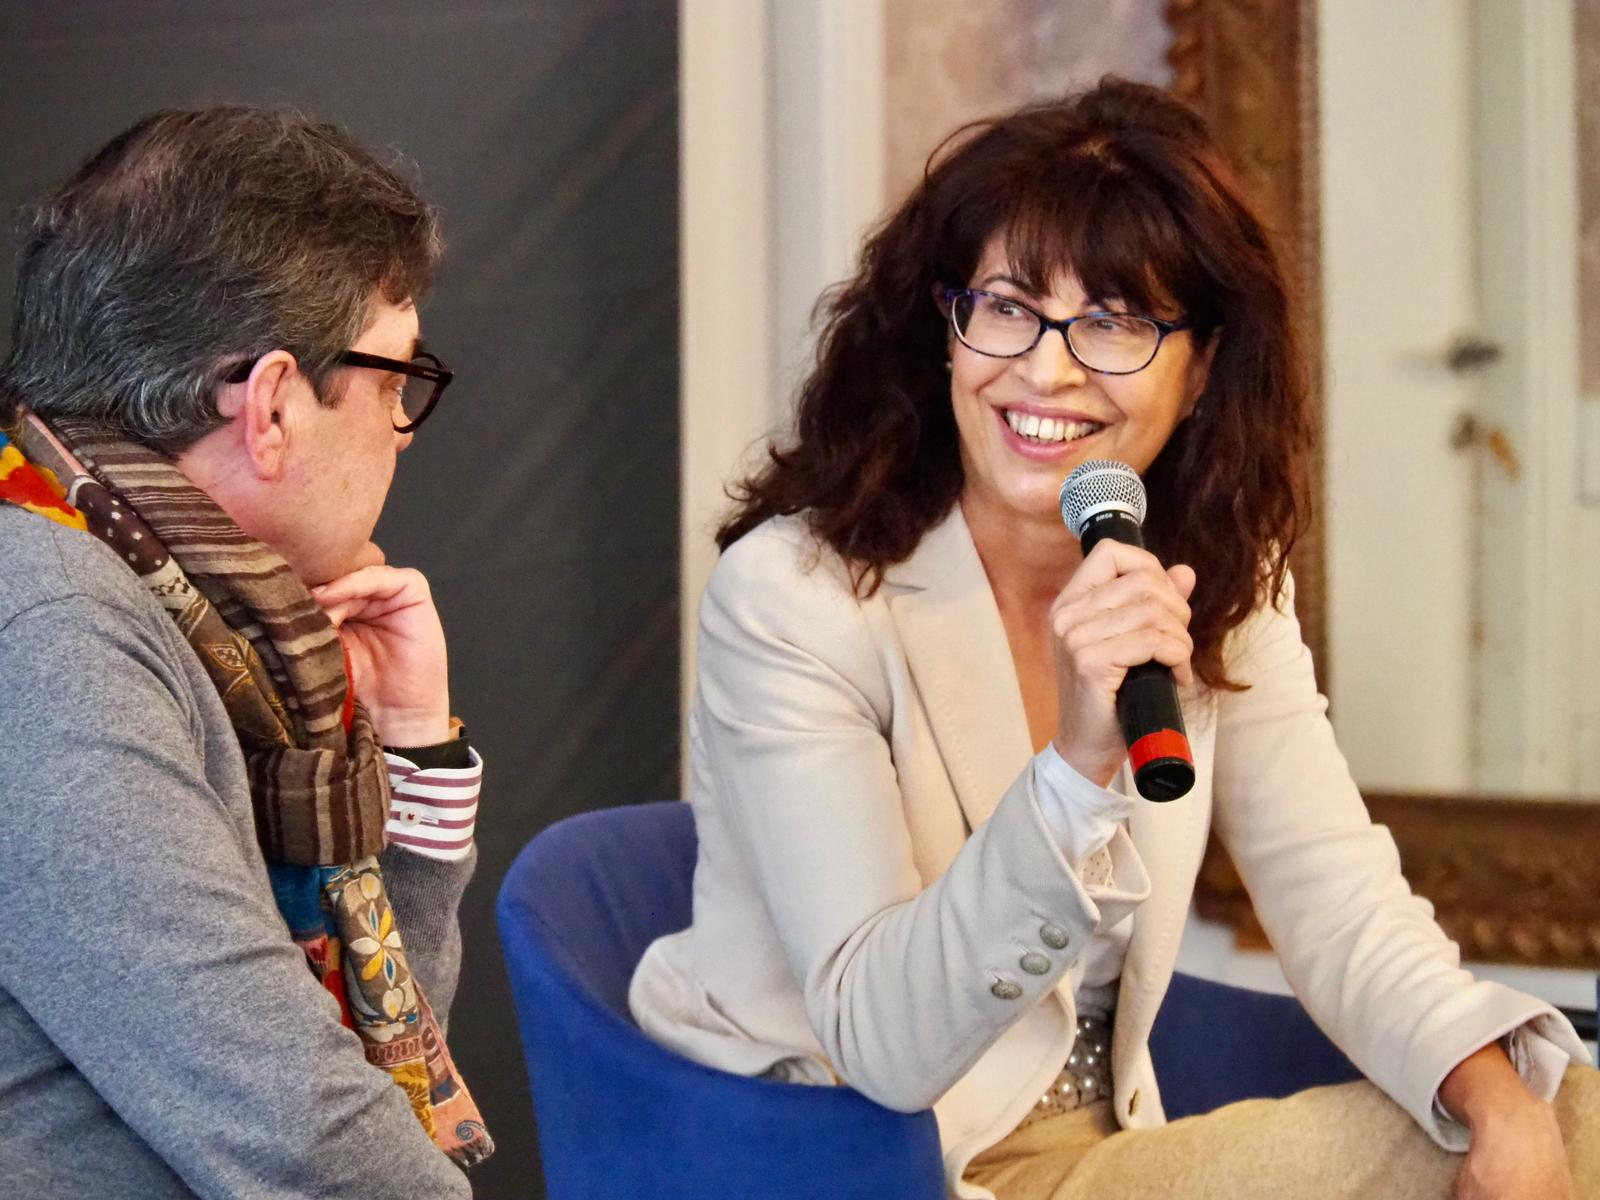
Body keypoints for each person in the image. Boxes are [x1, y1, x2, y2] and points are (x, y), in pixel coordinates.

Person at [630, 79, 1597, 1199]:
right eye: (1006, 306)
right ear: (942, 329)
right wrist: (1076, 770)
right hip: (859, 1158)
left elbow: (1336, 899)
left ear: (1203, 369)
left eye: (1113, 322)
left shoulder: (1214, 580)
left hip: (1098, 1144)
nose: (1045, 370)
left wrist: (1493, 1097)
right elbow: (882, 1043)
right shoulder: (796, 597)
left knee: (1557, 1116)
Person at [0, 107, 491, 1197]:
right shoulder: (46, 626)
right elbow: (294, 1131)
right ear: (270, 406)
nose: (401, 431)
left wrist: (411, 749)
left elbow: (380, 1082)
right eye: (395, 384)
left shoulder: (191, 610)